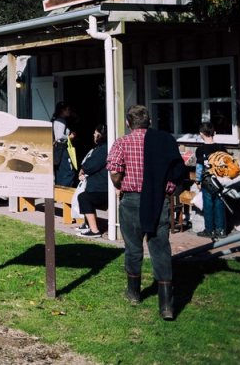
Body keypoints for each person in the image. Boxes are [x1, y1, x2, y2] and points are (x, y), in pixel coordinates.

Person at [107, 105, 185, 320]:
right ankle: (166, 306)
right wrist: (167, 189)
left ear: (128, 123)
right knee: (160, 248)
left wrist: (118, 185)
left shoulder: (122, 142)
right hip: (157, 199)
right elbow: (176, 170)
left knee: (133, 247)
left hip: (131, 199)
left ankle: (133, 293)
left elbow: (114, 170)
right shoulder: (163, 141)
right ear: (149, 122)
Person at [194, 122, 228, 239]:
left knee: (208, 205)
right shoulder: (221, 148)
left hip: (206, 181)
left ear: (201, 134)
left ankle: (209, 229)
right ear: (215, 133)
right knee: (219, 204)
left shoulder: (200, 150)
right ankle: (221, 230)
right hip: (220, 181)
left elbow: (199, 167)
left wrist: (198, 181)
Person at [76, 124, 109, 238]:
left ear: (100, 134)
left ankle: (94, 230)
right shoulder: (104, 148)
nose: (94, 135)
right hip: (101, 185)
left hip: (101, 187)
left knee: (84, 197)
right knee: (84, 196)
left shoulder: (103, 149)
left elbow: (91, 165)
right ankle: (87, 225)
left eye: (95, 132)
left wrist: (83, 169)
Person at [52, 102, 77, 187]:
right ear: (63, 110)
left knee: (60, 172)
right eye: (68, 109)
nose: (69, 111)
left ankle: (59, 194)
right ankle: (64, 192)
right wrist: (69, 137)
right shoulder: (61, 121)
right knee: (69, 172)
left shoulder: (55, 120)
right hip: (62, 149)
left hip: (57, 150)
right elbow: (59, 136)